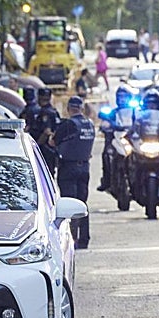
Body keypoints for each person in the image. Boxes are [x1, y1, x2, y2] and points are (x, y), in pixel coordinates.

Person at [52, 96, 94, 249]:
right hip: (84, 168)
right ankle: (84, 239)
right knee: (83, 204)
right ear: (81, 108)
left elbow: (53, 141)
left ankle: (70, 239)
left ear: (69, 108)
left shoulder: (70, 124)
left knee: (69, 205)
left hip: (69, 168)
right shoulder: (89, 124)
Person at [26, 88, 61, 174]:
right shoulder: (54, 111)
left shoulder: (44, 112)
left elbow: (46, 132)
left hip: (45, 150)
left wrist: (36, 146)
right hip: (53, 148)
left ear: (39, 97)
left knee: (43, 173)